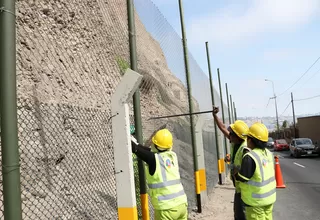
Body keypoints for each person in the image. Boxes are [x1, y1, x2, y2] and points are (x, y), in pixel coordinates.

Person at [131, 128, 188, 220]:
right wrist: (137, 144)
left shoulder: (154, 159)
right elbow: (147, 151)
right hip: (182, 204)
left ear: (156, 145)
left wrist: (128, 138)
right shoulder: (172, 156)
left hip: (166, 208)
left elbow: (136, 150)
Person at [212, 106, 249, 220]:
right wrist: (215, 116)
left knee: (242, 216)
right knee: (237, 215)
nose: (229, 135)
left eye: (231, 133)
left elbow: (247, 171)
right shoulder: (235, 142)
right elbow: (222, 127)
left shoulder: (246, 149)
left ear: (238, 137)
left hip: (245, 191)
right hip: (239, 188)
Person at [235, 122, 276, 220]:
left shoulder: (250, 157)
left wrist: (235, 173)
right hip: (269, 199)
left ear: (251, 140)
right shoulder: (268, 154)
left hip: (255, 202)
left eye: (248, 138)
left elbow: (243, 178)